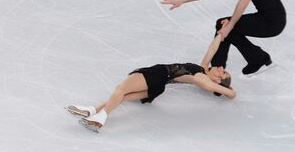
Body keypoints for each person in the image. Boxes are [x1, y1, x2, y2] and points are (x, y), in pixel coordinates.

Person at [65, 31, 236, 133]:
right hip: (160, 85)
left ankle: (99, 119)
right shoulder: (203, 69)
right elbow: (211, 50)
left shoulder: (203, 78)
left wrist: (230, 92)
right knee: (122, 96)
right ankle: (92, 110)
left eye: (223, 72)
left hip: (157, 74)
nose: (221, 67)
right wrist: (221, 33)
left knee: (120, 89)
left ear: (218, 79)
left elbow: (208, 85)